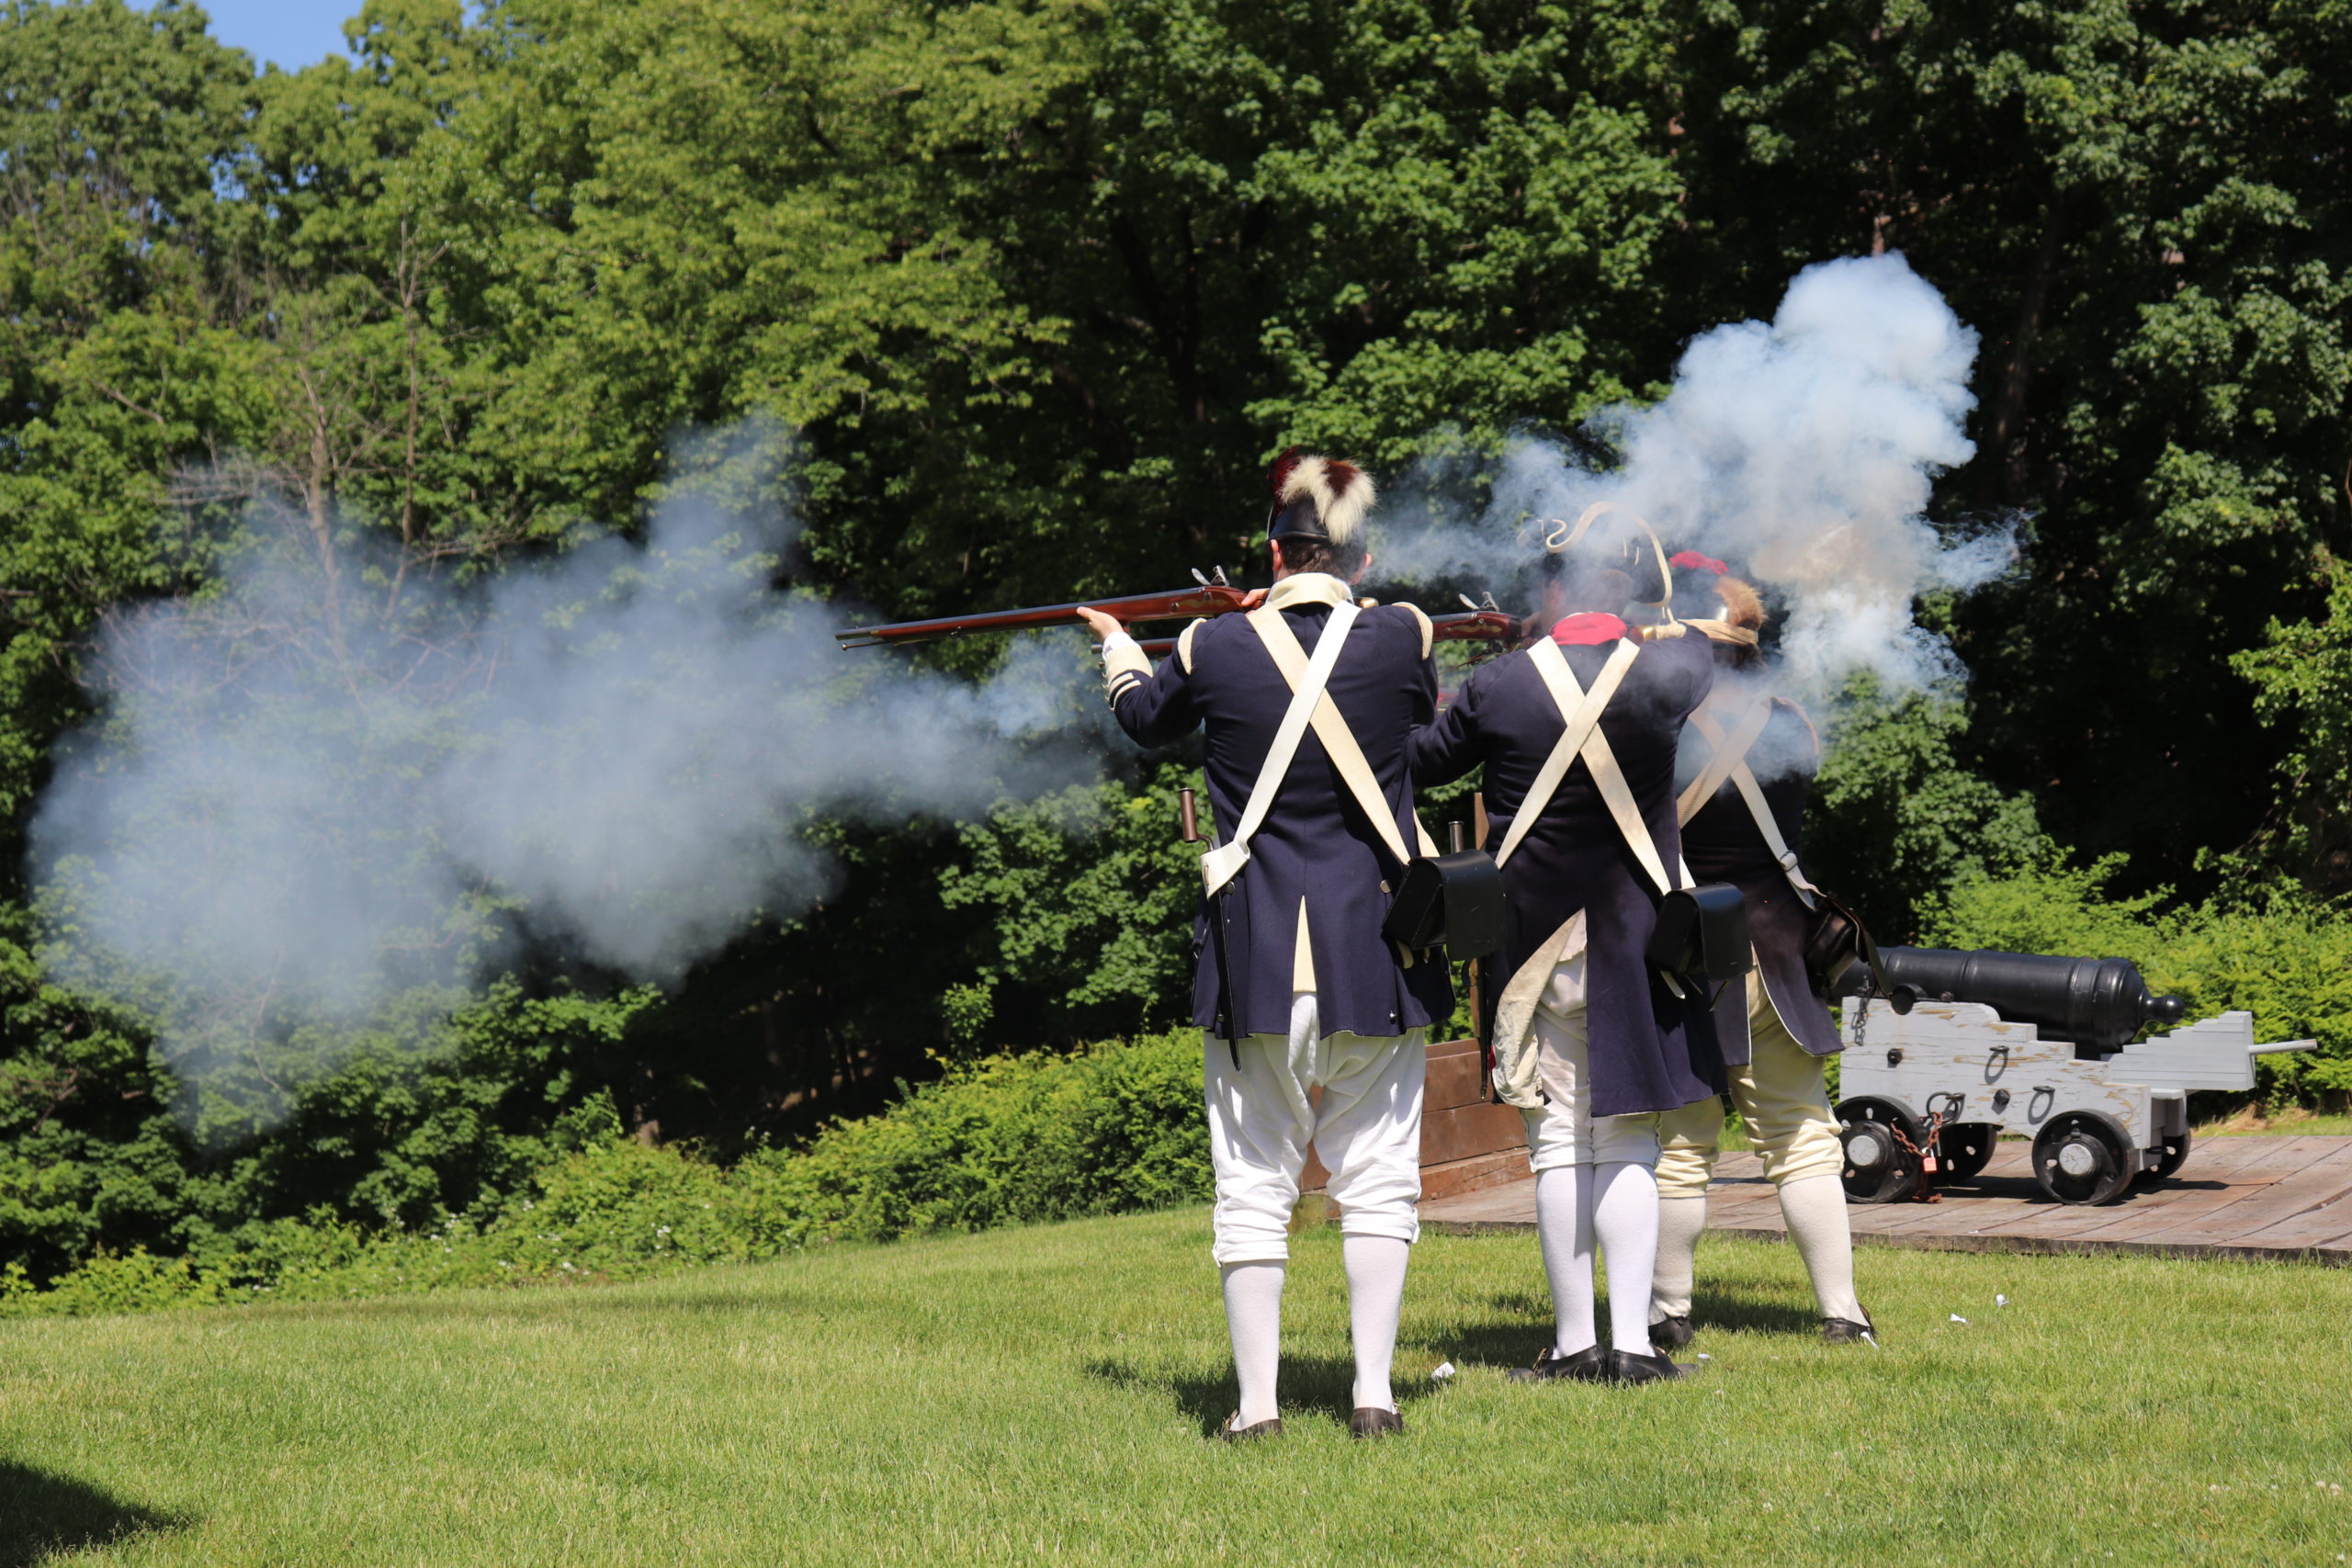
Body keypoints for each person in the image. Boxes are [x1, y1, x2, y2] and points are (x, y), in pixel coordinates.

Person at [1078, 450, 1450, 1441]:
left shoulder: (1209, 644)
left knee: (1251, 1182)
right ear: (1358, 559)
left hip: (1255, 957)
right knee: (1380, 1178)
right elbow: (1410, 707)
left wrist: (1119, 645)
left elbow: (1142, 719)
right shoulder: (1405, 633)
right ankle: (1374, 1397)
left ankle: (1257, 1409)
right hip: (1377, 951)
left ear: (1272, 552)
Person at [1408, 521, 1722, 1385]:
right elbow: (1704, 635)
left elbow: (1421, 757)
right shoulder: (1670, 669)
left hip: (1532, 946)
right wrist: (1648, 609)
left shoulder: (1498, 683)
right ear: (1622, 589)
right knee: (1627, 1141)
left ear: (1551, 590)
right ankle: (1635, 1346)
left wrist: (1427, 666)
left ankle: (1577, 1344)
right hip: (1637, 940)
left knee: (1555, 1145)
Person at [1650, 569, 1871, 1344]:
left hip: (1686, 953)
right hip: (1779, 952)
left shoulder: (1658, 728)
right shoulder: (1794, 723)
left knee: (1680, 1145)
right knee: (1802, 1135)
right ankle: (1842, 1313)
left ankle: (1668, 1314)